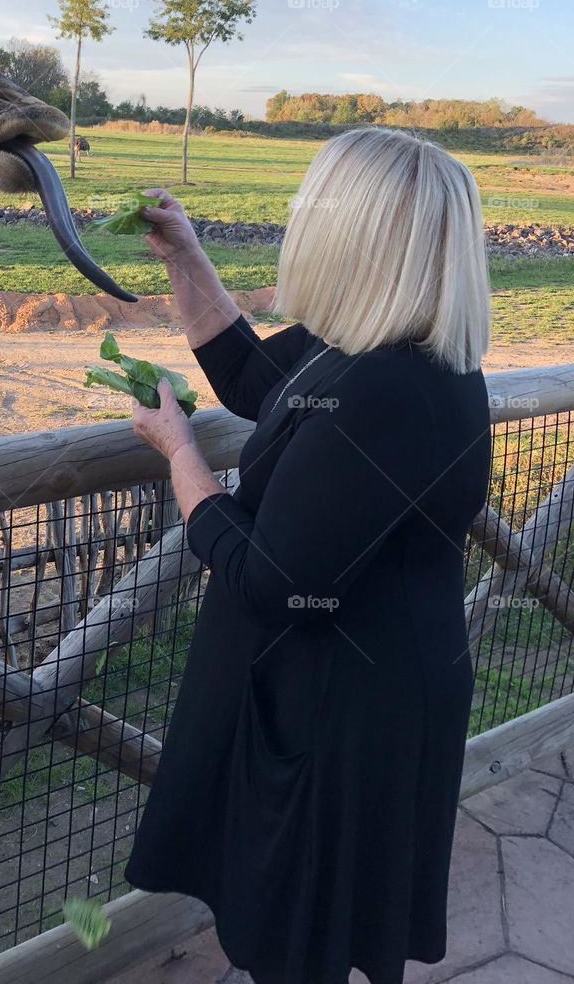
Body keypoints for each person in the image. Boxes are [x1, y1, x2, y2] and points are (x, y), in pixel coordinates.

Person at [122, 125, 493, 984]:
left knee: (298, 937)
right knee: (306, 925)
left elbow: (270, 582)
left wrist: (181, 455)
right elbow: (255, 379)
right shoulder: (367, 347)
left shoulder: (389, 389)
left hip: (348, 713)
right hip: (357, 690)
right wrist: (186, 256)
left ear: (355, 234)